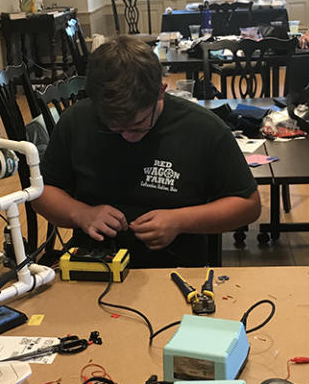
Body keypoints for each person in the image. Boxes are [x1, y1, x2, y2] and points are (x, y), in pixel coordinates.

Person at [32, 36, 261, 269]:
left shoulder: (203, 128)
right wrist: (81, 214)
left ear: (161, 91)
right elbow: (41, 193)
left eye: (139, 125)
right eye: (114, 128)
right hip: (93, 263)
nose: (127, 137)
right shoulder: (77, 120)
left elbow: (248, 204)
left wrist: (179, 221)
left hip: (175, 266)